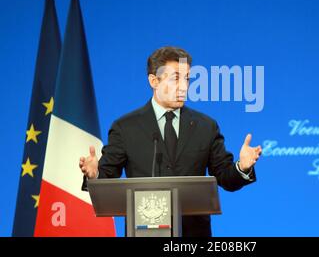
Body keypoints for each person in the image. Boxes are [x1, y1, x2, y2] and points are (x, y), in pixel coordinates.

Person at [79, 46, 261, 237]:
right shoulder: (125, 127)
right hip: (143, 231)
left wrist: (243, 167)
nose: (183, 86)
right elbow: (107, 176)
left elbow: (225, 176)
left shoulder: (205, 126)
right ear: (154, 81)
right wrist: (94, 174)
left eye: (187, 79)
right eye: (175, 78)